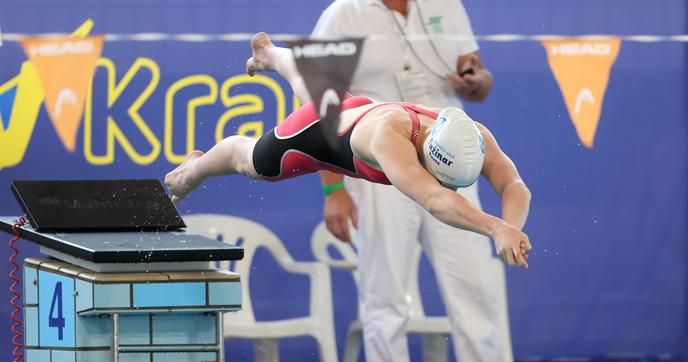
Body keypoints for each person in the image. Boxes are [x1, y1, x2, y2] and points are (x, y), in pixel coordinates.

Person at [165, 33, 532, 271]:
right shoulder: (392, 142)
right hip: (320, 136)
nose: (451, 190)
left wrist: (510, 230)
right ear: (431, 162)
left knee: (315, 90)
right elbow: (436, 201)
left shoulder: (470, 133)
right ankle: (189, 172)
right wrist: (494, 228)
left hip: (355, 109)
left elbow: (513, 183)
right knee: (253, 162)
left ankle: (270, 54)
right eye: (449, 183)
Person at [311, 0, 514, 362]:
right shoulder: (343, 14)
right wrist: (332, 188)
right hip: (379, 162)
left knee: (477, 286)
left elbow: (477, 75)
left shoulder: (447, 5)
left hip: (451, 163)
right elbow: (318, 103)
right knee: (385, 295)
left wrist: (477, 80)